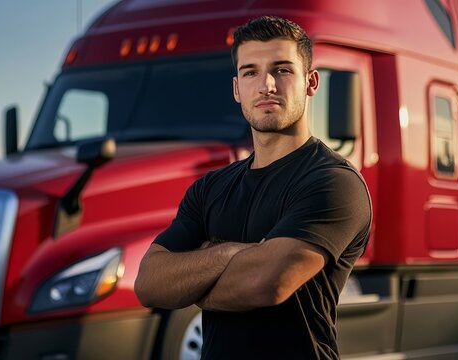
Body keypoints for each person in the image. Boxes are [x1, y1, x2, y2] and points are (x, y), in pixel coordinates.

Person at [134, 15, 372, 360]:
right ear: (236, 89)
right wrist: (230, 253)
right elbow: (149, 285)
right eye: (251, 72)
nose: (267, 85)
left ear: (311, 82)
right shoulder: (210, 188)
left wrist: (191, 286)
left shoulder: (333, 181)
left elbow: (265, 284)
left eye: (282, 70)